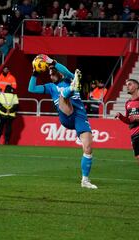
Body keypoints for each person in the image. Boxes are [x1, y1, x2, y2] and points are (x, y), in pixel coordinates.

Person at [28, 54, 97, 189]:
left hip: (80, 117)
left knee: (88, 148)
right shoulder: (50, 87)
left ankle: (85, 180)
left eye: (53, 73)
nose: (51, 75)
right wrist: (35, 74)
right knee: (63, 96)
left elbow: (67, 71)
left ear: (60, 73)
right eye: (49, 74)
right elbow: (31, 89)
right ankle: (70, 91)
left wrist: (53, 62)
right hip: (66, 115)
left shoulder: (69, 78)